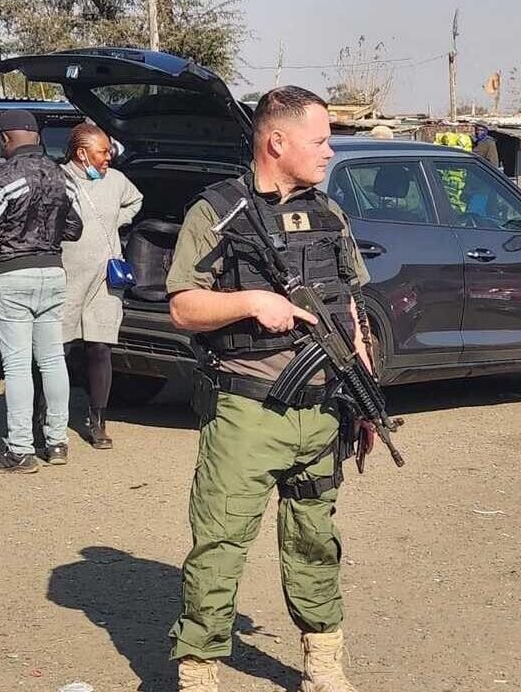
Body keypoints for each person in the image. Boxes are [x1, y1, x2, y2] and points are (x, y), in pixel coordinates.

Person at [166, 86, 373, 692]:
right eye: (320, 139)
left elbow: (351, 310)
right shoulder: (217, 211)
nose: (331, 151)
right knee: (221, 542)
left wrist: (363, 396)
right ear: (276, 141)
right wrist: (251, 301)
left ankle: (324, 661)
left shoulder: (331, 215)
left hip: (323, 412)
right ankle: (199, 668)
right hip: (248, 413)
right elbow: (182, 306)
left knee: (316, 541)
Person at [0, 110, 83, 473]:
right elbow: (76, 228)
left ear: (5, 139)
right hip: (53, 273)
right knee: (52, 360)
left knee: (17, 365)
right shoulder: (62, 176)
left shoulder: (2, 178)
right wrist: (47, 235)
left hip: (12, 276)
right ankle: (58, 441)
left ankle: (20, 449)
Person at [60, 124, 142, 449]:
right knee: (58, 351)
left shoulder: (117, 181)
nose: (109, 157)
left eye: (108, 151)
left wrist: (115, 223)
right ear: (82, 154)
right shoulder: (59, 180)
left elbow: (136, 202)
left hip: (105, 281)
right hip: (66, 279)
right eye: (102, 152)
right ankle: (49, 419)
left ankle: (98, 421)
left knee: (100, 348)